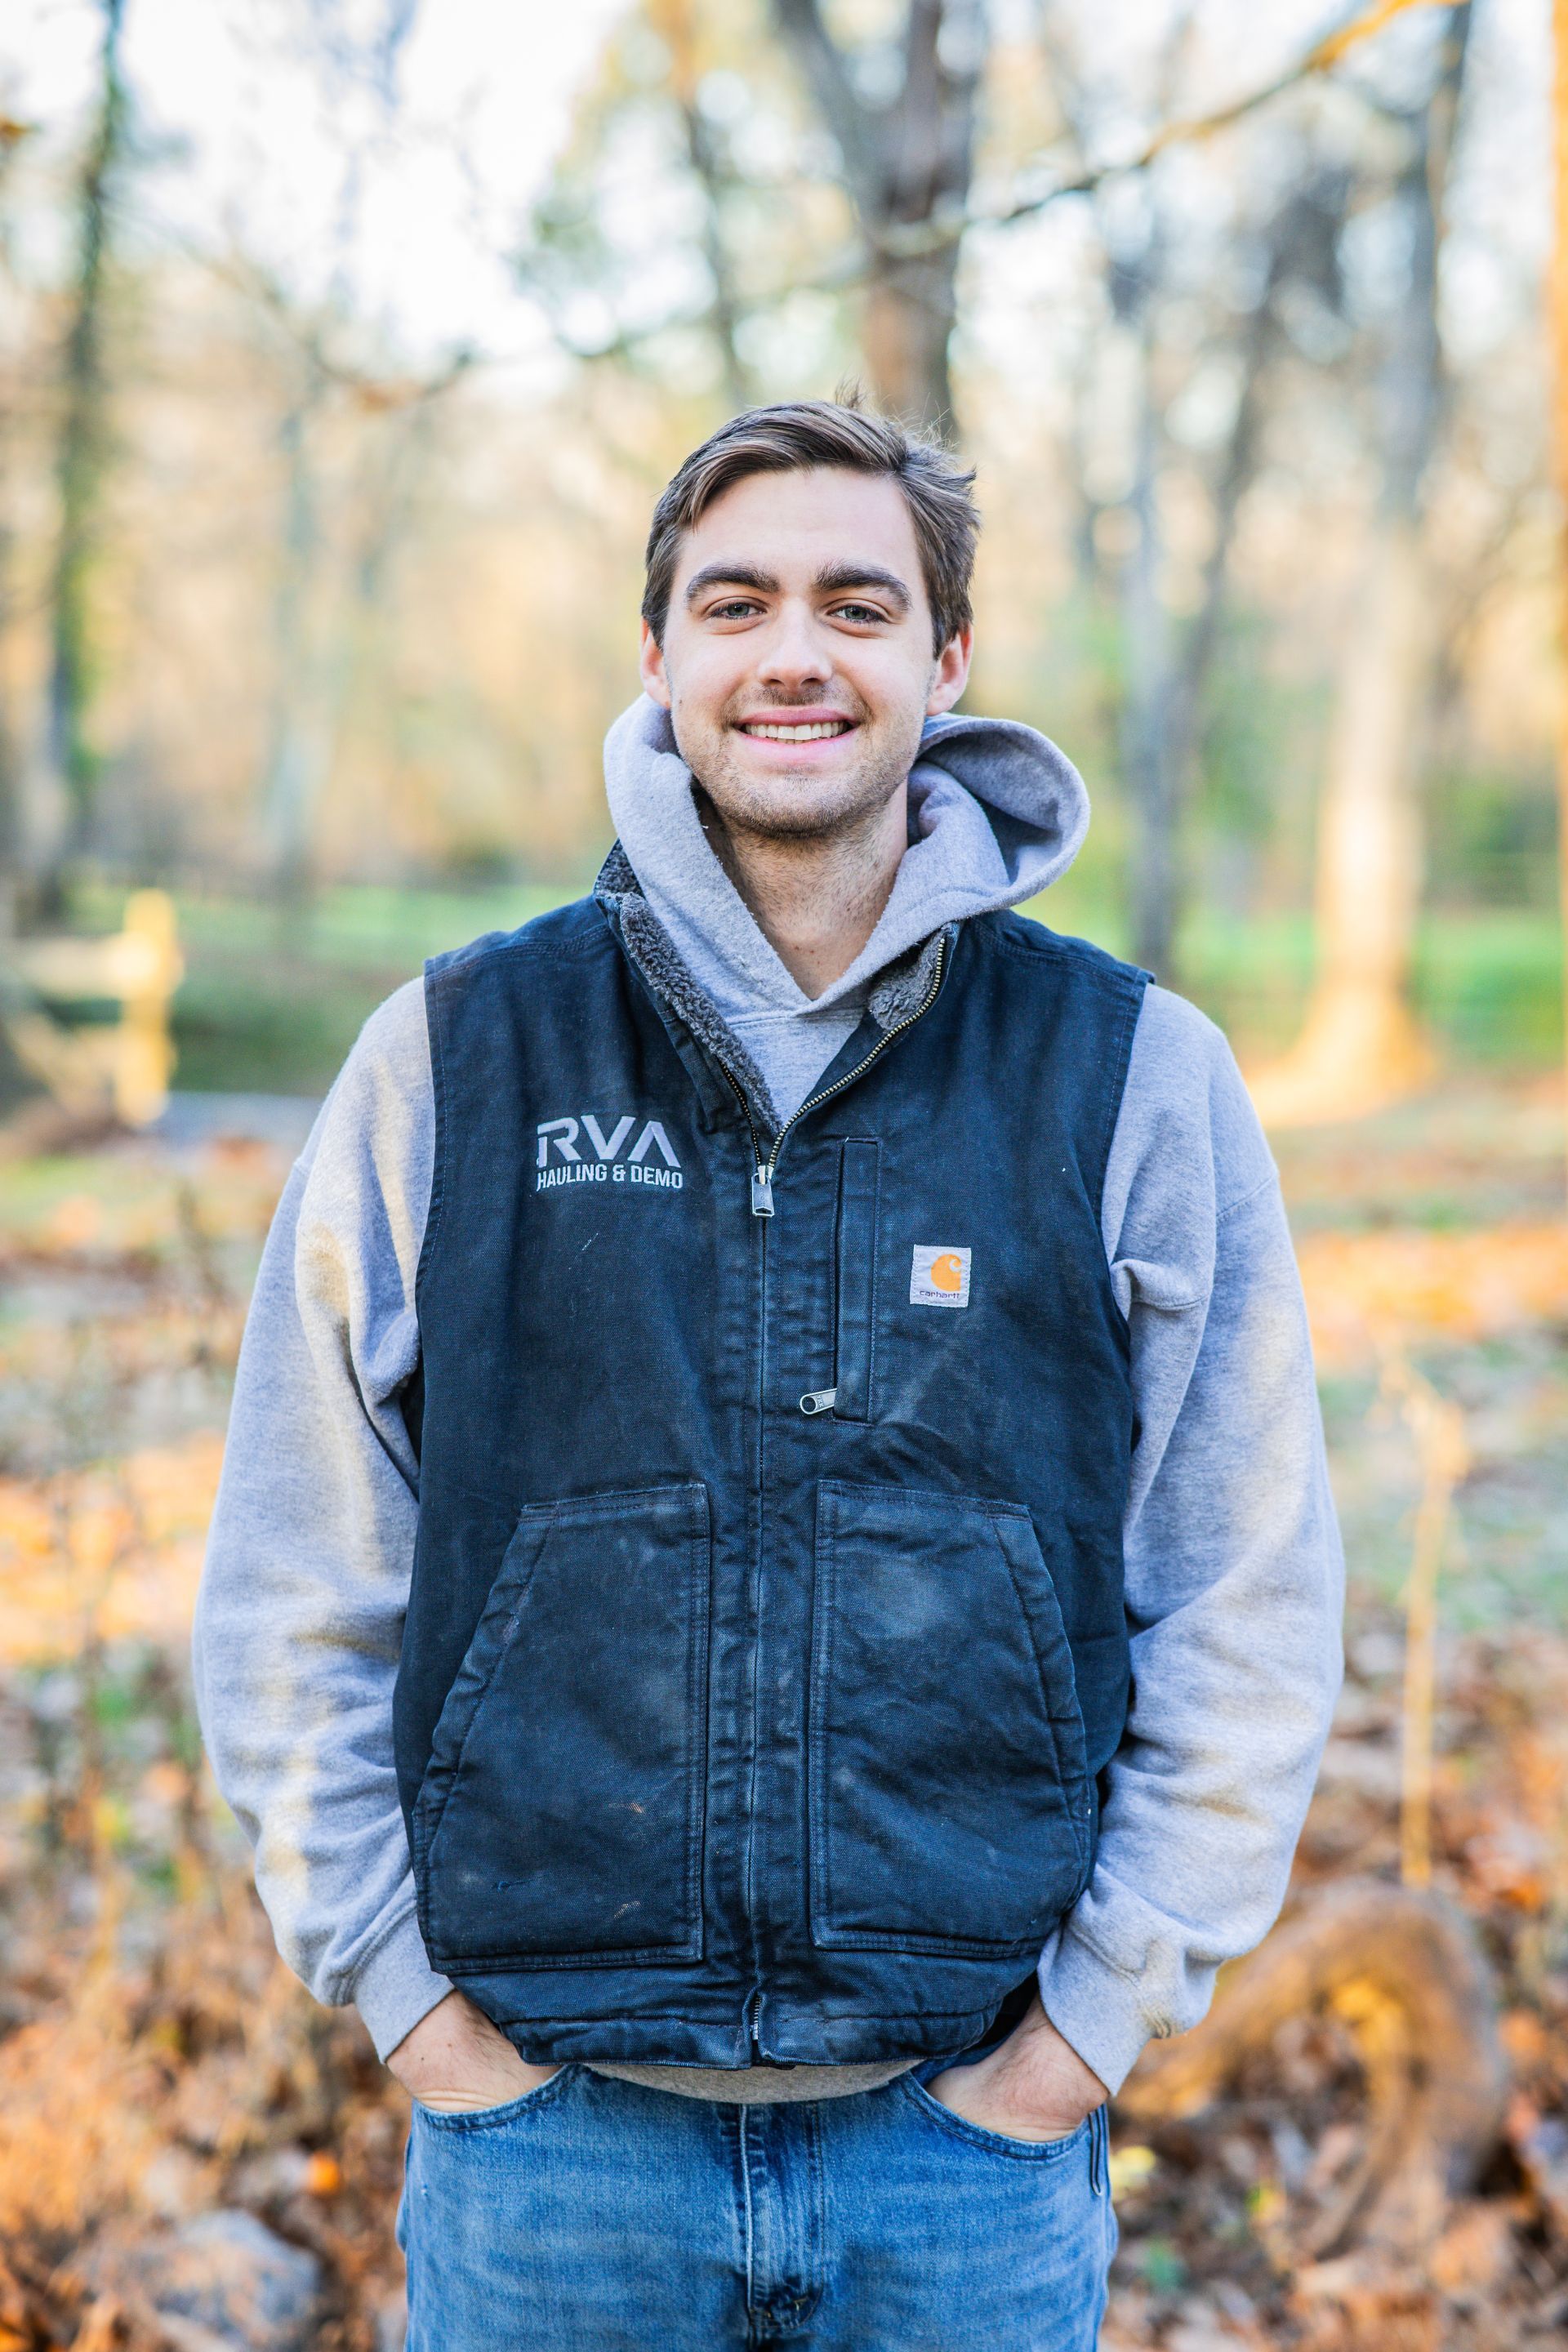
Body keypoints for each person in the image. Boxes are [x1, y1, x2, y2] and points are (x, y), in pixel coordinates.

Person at [194, 398, 1343, 2351]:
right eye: (736, 604)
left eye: (855, 605)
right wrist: (410, 2003)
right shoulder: (460, 1051)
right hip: (553, 2158)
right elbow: (297, 1570)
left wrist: (1079, 2039)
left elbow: (1249, 1586)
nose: (793, 654)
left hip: (965, 2160)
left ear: (946, 657)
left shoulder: (1132, 1073)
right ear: (658, 655)